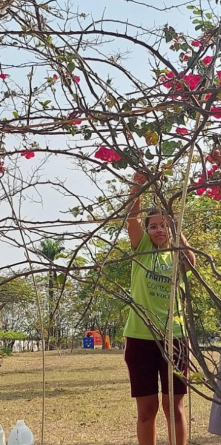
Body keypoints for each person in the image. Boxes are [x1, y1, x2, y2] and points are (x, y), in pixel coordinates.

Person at [125, 172, 196, 445]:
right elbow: (132, 218)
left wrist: (176, 228)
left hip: (173, 337)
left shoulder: (177, 253)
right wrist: (138, 186)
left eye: (164, 226)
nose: (159, 230)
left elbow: (192, 262)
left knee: (173, 407)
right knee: (147, 410)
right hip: (140, 337)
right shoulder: (141, 247)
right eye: (153, 226)